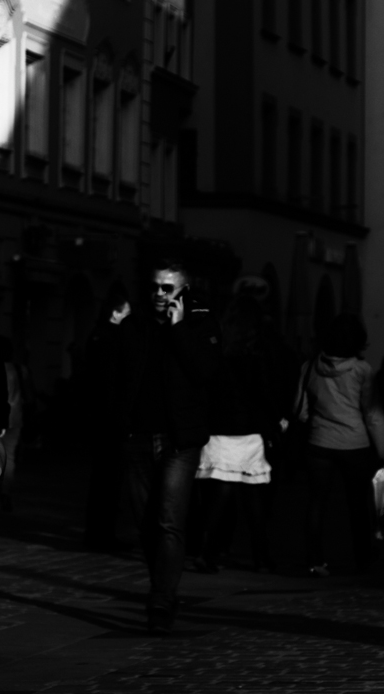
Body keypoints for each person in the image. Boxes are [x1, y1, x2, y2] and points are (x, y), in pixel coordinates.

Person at [116, 260, 222, 634]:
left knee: (169, 521)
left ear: (183, 291)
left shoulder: (200, 326)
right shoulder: (134, 326)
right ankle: (161, 583)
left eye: (168, 288)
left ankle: (161, 598)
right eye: (155, 287)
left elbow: (205, 373)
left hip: (180, 441)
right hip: (138, 438)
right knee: (145, 524)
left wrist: (179, 330)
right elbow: (116, 377)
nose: (160, 295)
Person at [294, 313, 384, 576]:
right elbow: (373, 415)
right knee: (358, 504)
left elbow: (299, 410)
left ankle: (315, 560)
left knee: (316, 502)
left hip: (319, 442)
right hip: (354, 444)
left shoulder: (311, 365)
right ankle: (363, 556)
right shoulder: (362, 370)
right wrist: (383, 452)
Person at [191, 294, 280, 574]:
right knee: (253, 499)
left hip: (218, 430)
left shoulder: (216, 351)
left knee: (219, 497)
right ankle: (261, 557)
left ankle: (208, 552)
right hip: (248, 430)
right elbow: (264, 394)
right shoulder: (255, 355)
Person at [81, 289, 132, 551]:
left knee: (102, 480)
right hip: (110, 421)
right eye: (126, 312)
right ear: (116, 313)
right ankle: (102, 534)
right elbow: (112, 384)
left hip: (100, 418)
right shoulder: (112, 339)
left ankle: (97, 532)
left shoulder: (97, 336)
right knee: (109, 481)